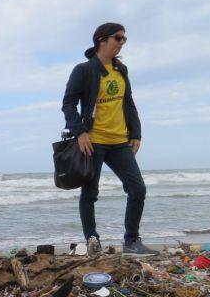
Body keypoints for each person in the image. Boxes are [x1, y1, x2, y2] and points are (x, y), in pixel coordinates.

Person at [62, 22, 157, 257]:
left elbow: (129, 103)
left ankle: (132, 241)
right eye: (118, 38)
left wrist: (135, 134)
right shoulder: (83, 70)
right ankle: (92, 240)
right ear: (102, 40)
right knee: (90, 193)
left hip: (119, 142)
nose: (122, 42)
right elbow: (68, 104)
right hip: (93, 142)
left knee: (137, 189)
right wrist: (80, 132)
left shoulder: (121, 70)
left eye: (124, 39)